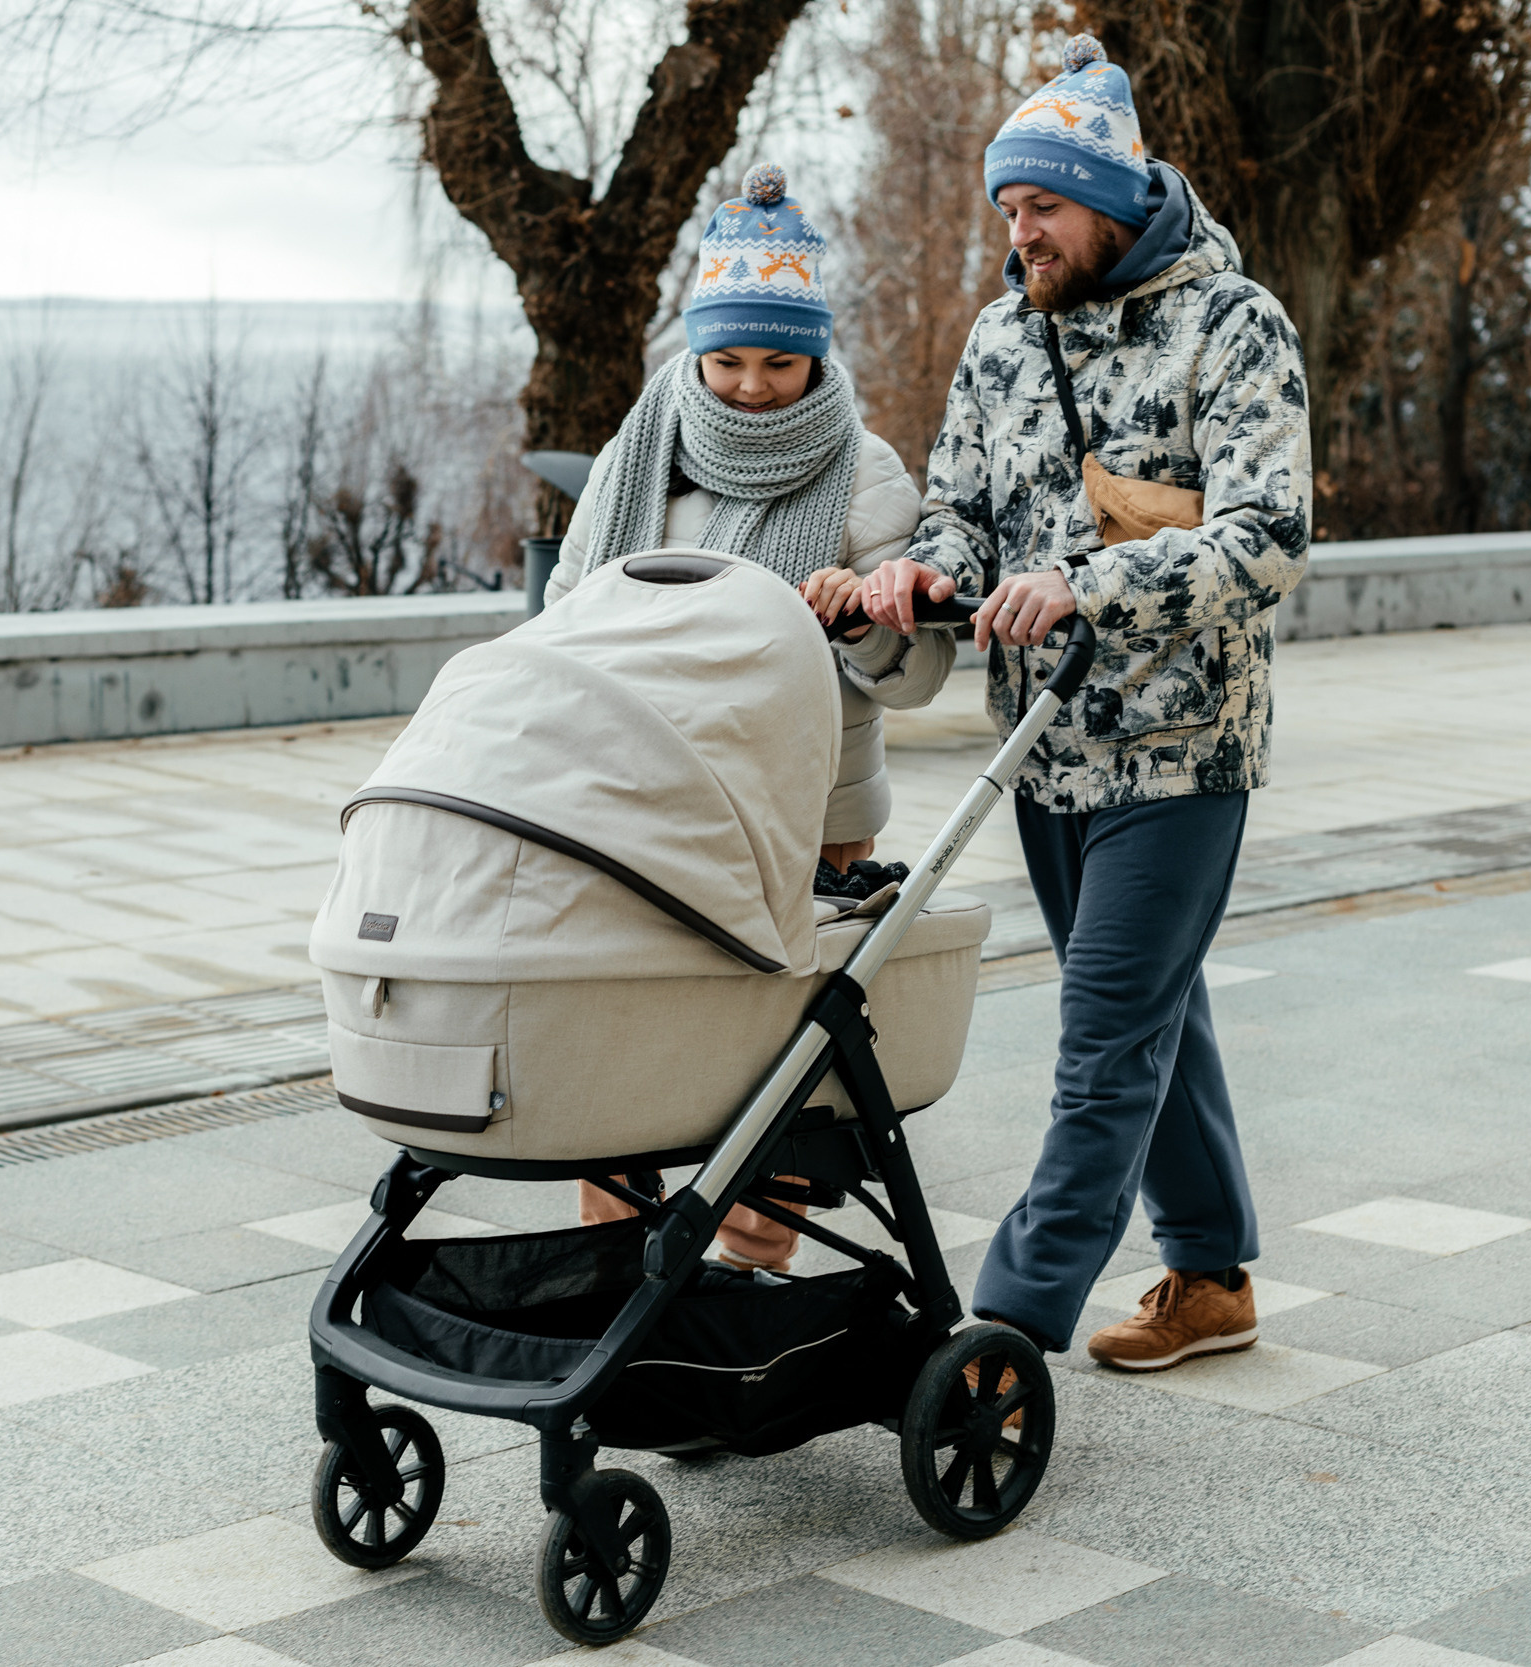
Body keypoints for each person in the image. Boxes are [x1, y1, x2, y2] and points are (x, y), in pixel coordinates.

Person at [860, 35, 1312, 1371]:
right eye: (1008, 208)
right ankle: (1213, 1271)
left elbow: (1270, 534)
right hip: (1041, 751)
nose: (1021, 232)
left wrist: (1088, 584)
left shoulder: (1235, 324)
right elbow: (961, 504)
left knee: (1102, 1039)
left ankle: (1008, 1322)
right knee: (1150, 1005)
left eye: (1042, 206)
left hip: (1183, 751)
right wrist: (926, 565)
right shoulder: (1003, 336)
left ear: (1112, 198)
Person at [550, 162, 955, 1272]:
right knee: (621, 1030)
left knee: (779, 1054)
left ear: (818, 355)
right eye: (725, 360)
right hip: (634, 798)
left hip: (804, 811)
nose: (749, 387)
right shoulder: (641, 454)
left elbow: (916, 674)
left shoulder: (864, 474)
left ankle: (744, 1277)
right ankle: (616, 1274)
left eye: (779, 362)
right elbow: (564, 609)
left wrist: (848, 623)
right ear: (693, 352)